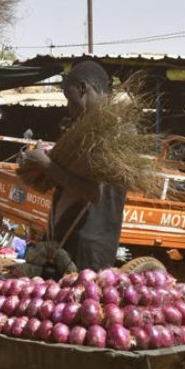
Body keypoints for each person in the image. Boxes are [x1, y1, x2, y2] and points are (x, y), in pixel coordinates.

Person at [20, 61, 127, 272]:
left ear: (83, 89)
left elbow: (93, 193)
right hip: (67, 239)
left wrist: (48, 164)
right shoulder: (86, 128)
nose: (69, 107)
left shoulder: (112, 132)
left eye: (70, 100)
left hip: (86, 247)